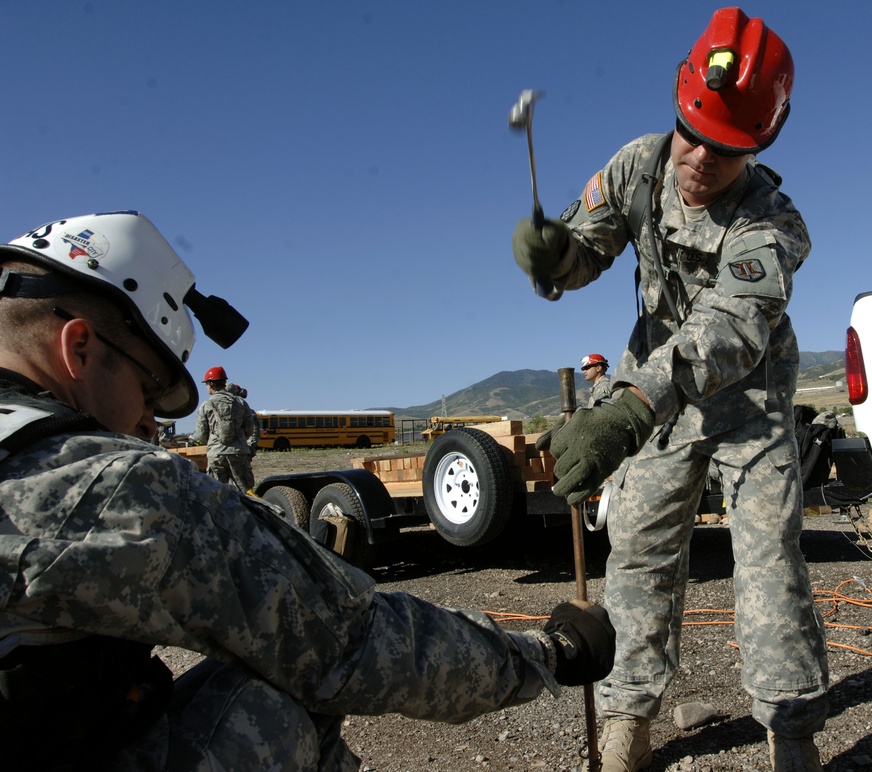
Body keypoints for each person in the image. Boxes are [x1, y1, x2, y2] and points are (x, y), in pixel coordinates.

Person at [0, 210, 616, 771]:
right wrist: (554, 651)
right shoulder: (111, 487)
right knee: (273, 693)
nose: (150, 424)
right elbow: (345, 639)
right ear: (78, 347)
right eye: (151, 385)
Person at [511, 8, 828, 772]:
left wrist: (628, 407)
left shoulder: (774, 226)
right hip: (653, 403)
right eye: (692, 133)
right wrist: (554, 256)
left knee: (767, 569)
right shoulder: (638, 167)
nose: (699, 160)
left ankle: (790, 735)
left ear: (757, 145)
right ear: (678, 106)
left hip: (746, 408)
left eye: (725, 149)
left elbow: (728, 328)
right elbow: (586, 245)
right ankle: (627, 716)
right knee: (639, 556)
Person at [191, 365, 258, 491]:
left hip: (216, 454)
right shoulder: (241, 402)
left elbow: (201, 435)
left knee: (216, 493)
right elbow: (250, 429)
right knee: (245, 492)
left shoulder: (206, 405)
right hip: (239, 453)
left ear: (211, 384)